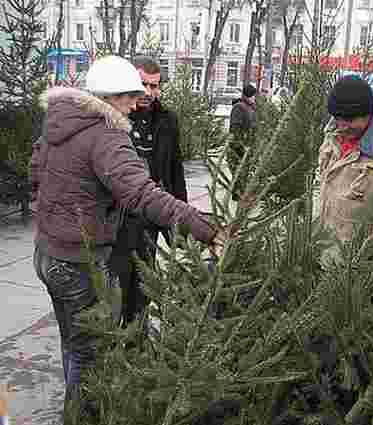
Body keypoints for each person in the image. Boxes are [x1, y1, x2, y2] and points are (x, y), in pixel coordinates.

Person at [30, 55, 224, 417]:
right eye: (131, 96)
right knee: (92, 352)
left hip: (47, 253)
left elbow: (35, 172)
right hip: (79, 263)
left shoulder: (61, 122)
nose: (137, 103)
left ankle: (77, 408)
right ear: (110, 96)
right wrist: (204, 228)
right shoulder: (107, 134)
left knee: (73, 341)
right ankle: (84, 417)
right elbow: (143, 194)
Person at [108, 56, 186, 326]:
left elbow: (175, 171)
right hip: (116, 224)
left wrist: (180, 223)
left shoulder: (167, 120)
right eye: (143, 85)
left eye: (155, 86)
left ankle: (137, 347)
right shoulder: (113, 118)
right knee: (114, 293)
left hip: (149, 220)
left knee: (143, 291)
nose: (150, 93)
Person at [318, 76, 373, 242]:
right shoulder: (333, 137)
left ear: (369, 114)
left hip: (353, 262)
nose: (342, 126)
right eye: (338, 118)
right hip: (320, 249)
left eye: (349, 119)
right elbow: (319, 179)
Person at [228, 83, 257, 201]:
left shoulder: (250, 107)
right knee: (238, 172)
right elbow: (235, 128)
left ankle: (242, 194)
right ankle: (237, 196)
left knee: (244, 172)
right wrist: (239, 146)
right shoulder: (239, 107)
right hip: (239, 147)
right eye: (254, 95)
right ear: (250, 95)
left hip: (247, 146)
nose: (255, 98)